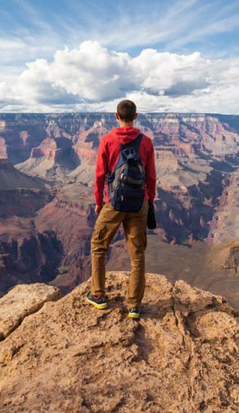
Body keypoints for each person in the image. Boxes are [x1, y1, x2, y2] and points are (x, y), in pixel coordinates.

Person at [86, 99, 156, 320]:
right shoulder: (146, 142)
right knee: (137, 255)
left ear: (116, 116)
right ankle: (133, 305)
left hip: (113, 203)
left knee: (98, 245)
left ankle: (98, 295)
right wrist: (149, 200)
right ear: (136, 116)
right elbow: (151, 176)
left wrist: (99, 202)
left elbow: (99, 175)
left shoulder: (107, 140)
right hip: (139, 204)